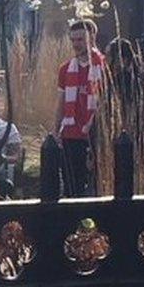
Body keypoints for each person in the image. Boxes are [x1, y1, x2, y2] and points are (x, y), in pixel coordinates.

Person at [54, 20, 106, 197]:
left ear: (92, 38)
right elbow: (61, 102)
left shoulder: (104, 66)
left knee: (96, 188)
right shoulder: (65, 69)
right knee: (71, 188)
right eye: (73, 40)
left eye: (80, 40)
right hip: (70, 133)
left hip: (95, 135)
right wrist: (56, 132)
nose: (76, 44)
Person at [105, 37, 144, 133]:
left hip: (125, 131)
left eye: (109, 55)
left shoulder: (125, 80)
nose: (105, 58)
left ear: (123, 59)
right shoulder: (113, 77)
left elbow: (127, 109)